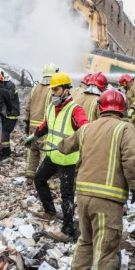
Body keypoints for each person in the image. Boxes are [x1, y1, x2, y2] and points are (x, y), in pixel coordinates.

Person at [57, 89, 135, 270]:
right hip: (107, 198)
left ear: (101, 107)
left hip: (83, 195)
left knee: (86, 240)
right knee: (106, 249)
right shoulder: (125, 128)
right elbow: (131, 163)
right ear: (121, 109)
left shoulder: (87, 128)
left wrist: (47, 142)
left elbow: (65, 146)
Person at [25, 73, 89, 241]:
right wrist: (33, 136)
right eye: (52, 90)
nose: (53, 93)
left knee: (66, 194)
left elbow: (86, 129)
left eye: (56, 90)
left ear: (67, 90)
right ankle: (50, 211)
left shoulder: (75, 109)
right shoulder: (51, 108)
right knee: (39, 179)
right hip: (53, 155)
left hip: (68, 158)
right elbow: (46, 126)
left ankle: (67, 230)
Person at [24, 63, 58, 183]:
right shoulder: (52, 91)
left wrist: (27, 122)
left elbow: (28, 107)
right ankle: (44, 179)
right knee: (44, 151)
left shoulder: (35, 88)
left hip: (32, 125)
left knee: (33, 150)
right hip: (44, 127)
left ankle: (29, 176)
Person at [1, 73, 21, 158]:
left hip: (12, 114)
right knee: (3, 132)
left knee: (4, 132)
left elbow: (7, 98)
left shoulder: (10, 85)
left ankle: (6, 152)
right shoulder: (6, 85)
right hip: (8, 113)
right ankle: (4, 150)